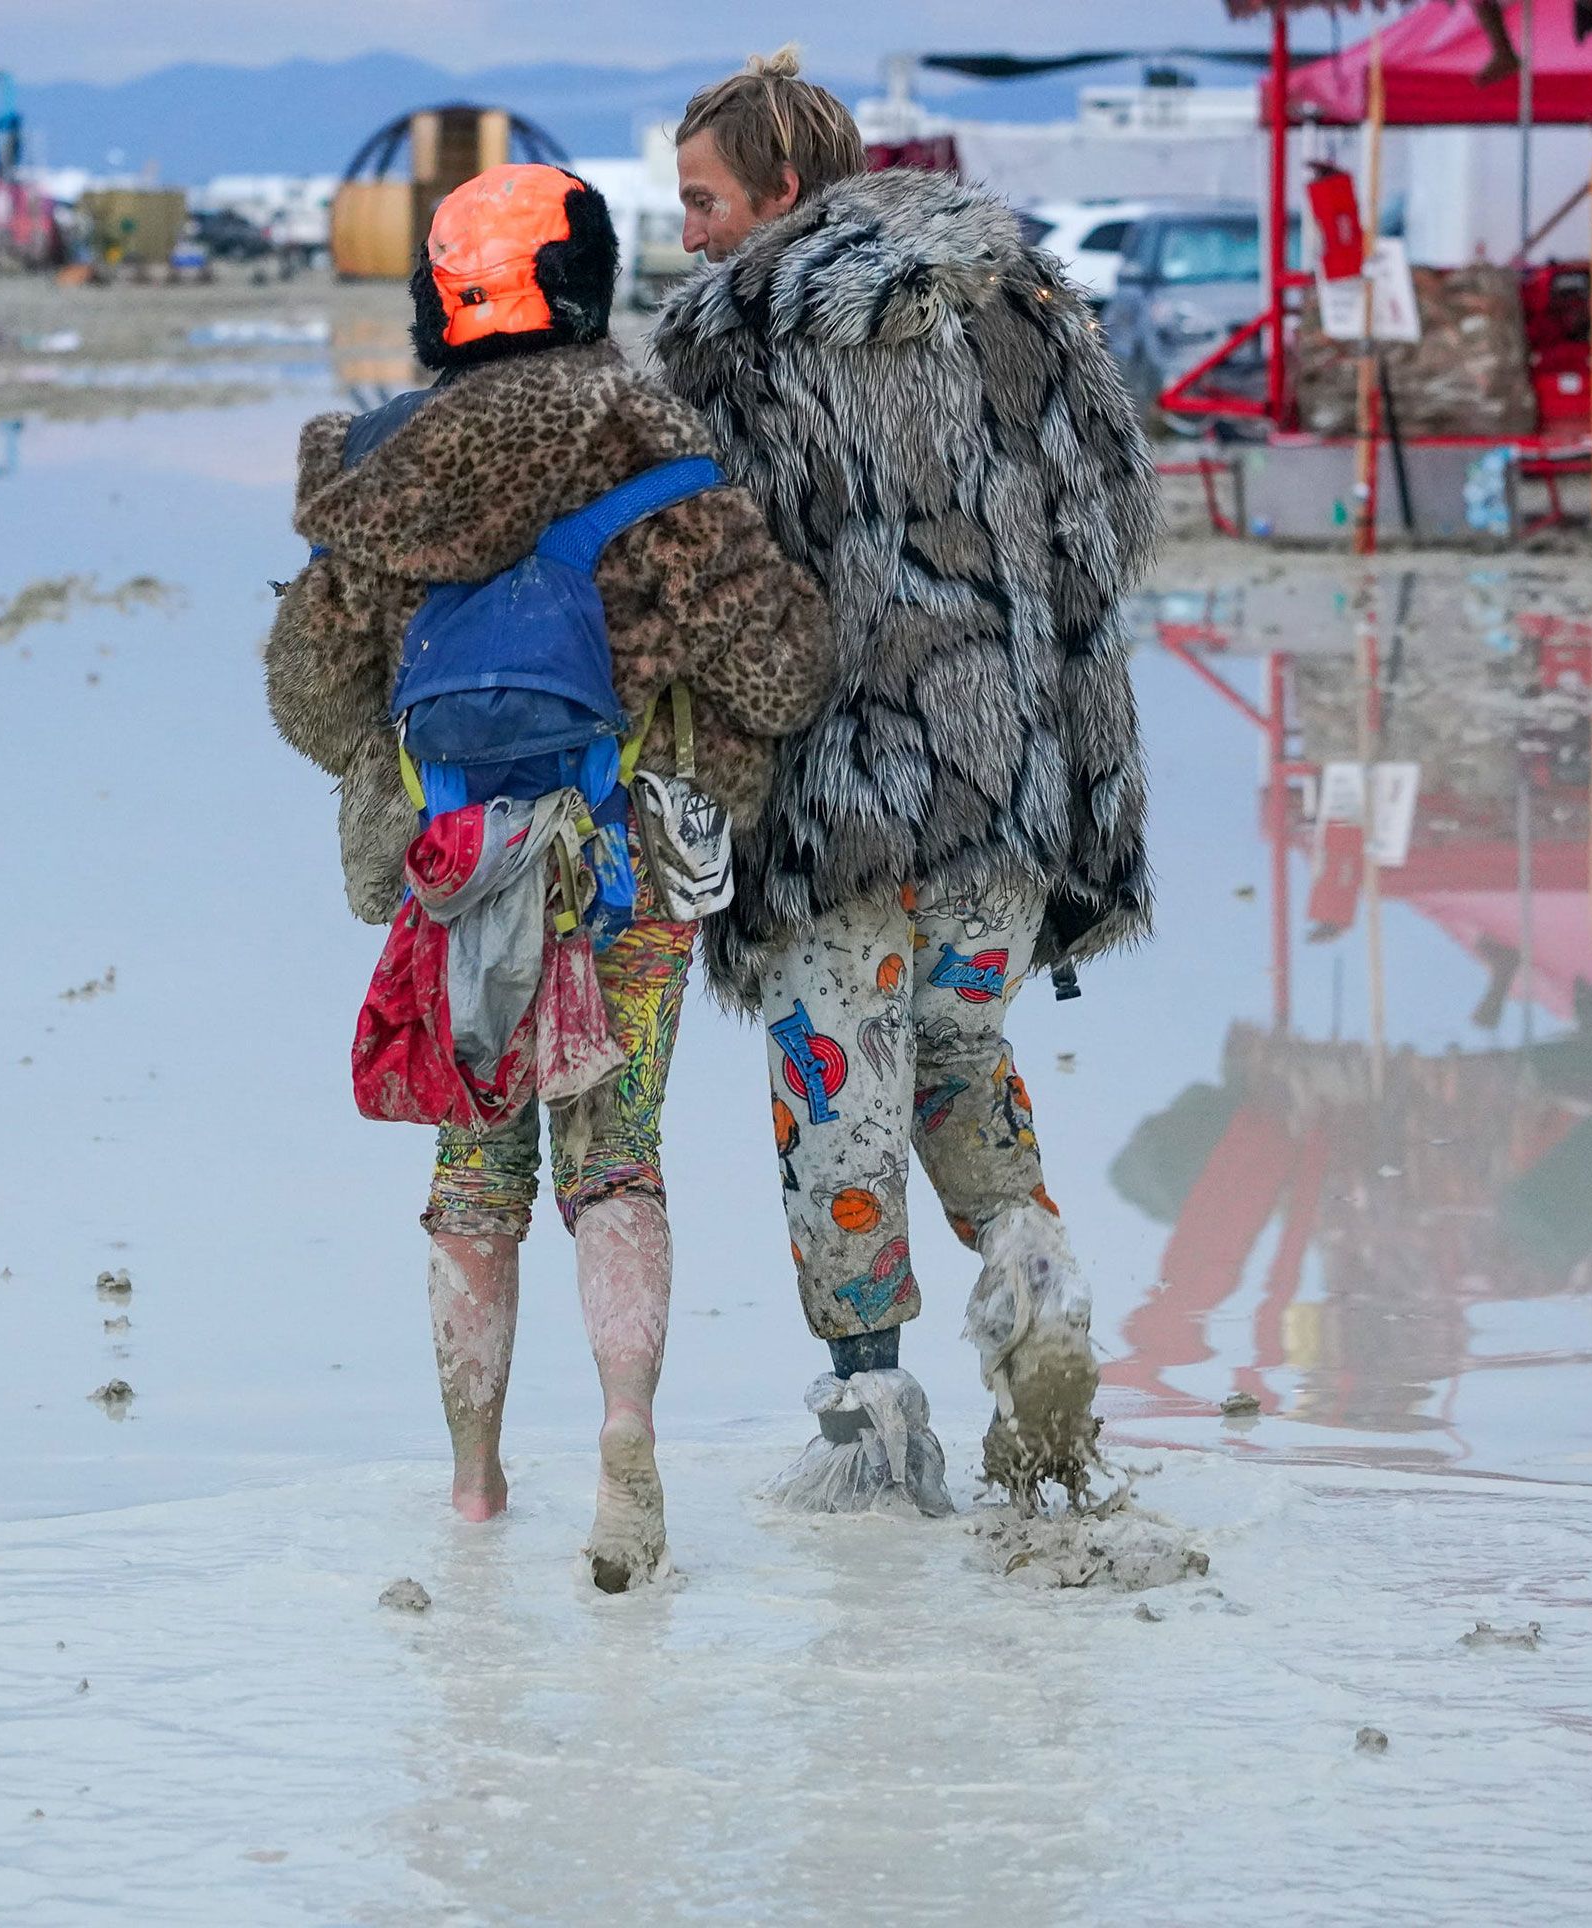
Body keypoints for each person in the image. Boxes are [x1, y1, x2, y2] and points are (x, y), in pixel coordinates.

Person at [266, 163, 831, 1590]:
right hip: (623, 866)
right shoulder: (653, 444)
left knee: (474, 1175)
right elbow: (781, 665)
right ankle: (627, 1443)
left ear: (438, 298)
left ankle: (470, 1489)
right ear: (582, 283)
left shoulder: (376, 467)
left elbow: (309, 698)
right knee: (617, 1157)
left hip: (450, 874)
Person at [652, 52, 1160, 1506]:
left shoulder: (738, 342)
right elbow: (1112, 518)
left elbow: (717, 598)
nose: (687, 234)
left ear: (783, 190)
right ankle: (1037, 1282)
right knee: (958, 1058)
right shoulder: (1028, 304)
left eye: (702, 200)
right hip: (1017, 786)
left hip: (837, 798)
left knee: (839, 1096)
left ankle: (873, 1420)